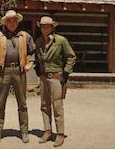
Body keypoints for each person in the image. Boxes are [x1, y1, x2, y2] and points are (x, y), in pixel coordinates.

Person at [0, 10, 35, 143]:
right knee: (0, 103)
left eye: (14, 20)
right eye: (9, 20)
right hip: (3, 71)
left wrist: (30, 63)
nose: (12, 22)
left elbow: (33, 52)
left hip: (19, 71)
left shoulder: (25, 36)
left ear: (17, 22)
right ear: (5, 22)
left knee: (22, 103)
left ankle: (24, 131)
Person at [35, 16, 76, 147]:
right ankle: (47, 130)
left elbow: (71, 56)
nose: (45, 28)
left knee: (57, 105)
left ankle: (60, 134)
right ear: (40, 27)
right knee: (44, 105)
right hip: (43, 77)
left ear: (52, 27)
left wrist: (65, 73)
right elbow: (38, 57)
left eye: (47, 26)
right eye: (42, 26)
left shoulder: (61, 40)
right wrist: (38, 69)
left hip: (56, 77)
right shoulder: (39, 41)